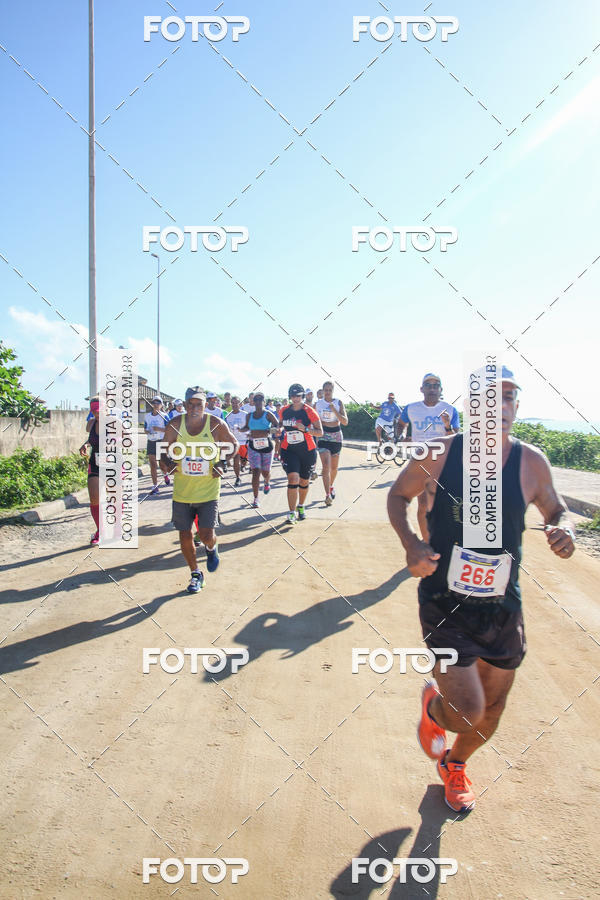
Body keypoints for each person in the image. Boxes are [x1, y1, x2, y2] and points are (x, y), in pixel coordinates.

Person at [387, 367, 576, 813]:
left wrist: (562, 528)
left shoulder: (531, 462)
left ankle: (454, 764)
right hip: (444, 601)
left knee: (492, 710)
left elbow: (556, 508)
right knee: (466, 709)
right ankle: (435, 706)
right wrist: (412, 544)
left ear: (517, 407)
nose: (501, 406)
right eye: (492, 398)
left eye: (510, 398)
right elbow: (398, 496)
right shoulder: (439, 454)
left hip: (502, 606)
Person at [163, 387, 238, 593]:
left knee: (205, 534)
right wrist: (167, 464)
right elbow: (164, 450)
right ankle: (196, 573)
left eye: (199, 404)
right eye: (191, 404)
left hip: (208, 490)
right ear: (185, 405)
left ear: (205, 406)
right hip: (182, 490)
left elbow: (233, 445)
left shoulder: (215, 425)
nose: (195, 408)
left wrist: (222, 463)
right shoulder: (175, 425)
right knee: (184, 533)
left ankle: (212, 548)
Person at [397, 374, 460, 542]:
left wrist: (447, 426)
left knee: (447, 506)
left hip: (444, 464)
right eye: (428, 385)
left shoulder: (450, 410)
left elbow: (456, 438)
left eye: (436, 385)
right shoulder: (411, 408)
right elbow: (401, 424)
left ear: (441, 390)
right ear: (421, 389)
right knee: (424, 505)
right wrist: (402, 436)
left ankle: (446, 541)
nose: (432, 388)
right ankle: (428, 544)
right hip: (421, 463)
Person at [279, 383, 323, 524]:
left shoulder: (309, 411)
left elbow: (320, 432)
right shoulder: (284, 410)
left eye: (298, 396)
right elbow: (280, 424)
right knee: (293, 479)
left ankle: (301, 506)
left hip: (307, 451)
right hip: (289, 450)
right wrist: (278, 429)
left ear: (302, 396)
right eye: (293, 396)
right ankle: (291, 513)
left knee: (304, 481)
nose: (296, 398)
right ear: (290, 396)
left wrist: (305, 429)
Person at [242, 392, 279, 508]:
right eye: (256, 400)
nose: (258, 402)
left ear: (264, 402)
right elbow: (247, 427)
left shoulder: (268, 414)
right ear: (253, 402)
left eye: (260, 400)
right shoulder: (249, 415)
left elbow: (278, 426)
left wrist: (268, 431)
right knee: (256, 472)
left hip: (266, 445)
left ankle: (267, 481)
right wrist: (240, 429)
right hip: (253, 446)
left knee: (265, 472)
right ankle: (256, 498)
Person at [316, 381, 348, 506]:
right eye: (326, 390)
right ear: (323, 391)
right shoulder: (318, 404)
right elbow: (316, 421)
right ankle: (327, 495)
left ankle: (330, 486)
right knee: (326, 466)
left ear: (333, 390)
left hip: (336, 437)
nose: (328, 392)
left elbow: (344, 422)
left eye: (330, 390)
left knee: (334, 468)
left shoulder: (338, 403)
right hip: (324, 436)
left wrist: (334, 410)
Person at [79, 397, 101, 544]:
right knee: (94, 498)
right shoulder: (91, 423)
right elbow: (92, 438)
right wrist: (85, 444)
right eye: (94, 411)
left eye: (99, 411)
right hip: (95, 462)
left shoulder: (115, 423)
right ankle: (100, 531)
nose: (97, 414)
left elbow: (127, 440)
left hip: (113, 464)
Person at [144, 396, 170, 494]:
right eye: (154, 403)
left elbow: (169, 429)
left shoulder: (164, 416)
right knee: (153, 465)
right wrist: (148, 431)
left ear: (161, 405)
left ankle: (165, 474)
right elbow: (145, 429)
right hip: (151, 441)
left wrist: (158, 429)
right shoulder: (147, 416)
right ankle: (155, 486)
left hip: (161, 441)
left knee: (162, 464)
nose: (156, 405)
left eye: (158, 403)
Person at [225, 396, 248, 487]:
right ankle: (238, 478)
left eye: (237, 402)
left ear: (240, 404)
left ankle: (243, 465)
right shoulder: (228, 416)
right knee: (236, 460)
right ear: (231, 404)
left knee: (244, 461)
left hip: (245, 441)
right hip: (234, 442)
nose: (235, 404)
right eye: (233, 403)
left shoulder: (245, 414)